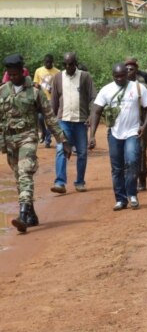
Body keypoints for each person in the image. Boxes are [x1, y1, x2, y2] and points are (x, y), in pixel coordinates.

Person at [1, 54, 71, 233]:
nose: (14, 77)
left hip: (28, 137)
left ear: (22, 72)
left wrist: (62, 140)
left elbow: (49, 118)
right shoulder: (3, 91)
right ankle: (31, 214)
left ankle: (23, 214)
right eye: (11, 74)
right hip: (10, 141)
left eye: (16, 74)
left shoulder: (35, 92)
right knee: (19, 178)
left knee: (25, 172)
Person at [89, 63, 147, 210]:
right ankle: (120, 199)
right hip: (114, 134)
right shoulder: (107, 90)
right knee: (117, 168)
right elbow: (97, 111)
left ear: (127, 74)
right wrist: (92, 135)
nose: (120, 79)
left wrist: (144, 126)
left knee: (132, 161)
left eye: (122, 75)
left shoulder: (138, 88)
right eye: (117, 76)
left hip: (133, 132)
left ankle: (132, 194)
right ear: (113, 76)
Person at [49, 52, 96, 194]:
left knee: (82, 152)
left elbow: (93, 97)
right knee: (61, 150)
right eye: (66, 64)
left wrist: (91, 115)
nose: (68, 66)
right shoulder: (58, 78)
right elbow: (54, 101)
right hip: (63, 120)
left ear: (76, 63)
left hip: (81, 121)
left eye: (71, 64)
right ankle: (60, 183)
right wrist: (52, 122)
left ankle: (80, 182)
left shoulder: (85, 77)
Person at [125, 58, 147, 191]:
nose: (128, 71)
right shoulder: (120, 85)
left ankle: (142, 177)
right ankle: (128, 179)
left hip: (141, 125)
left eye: (131, 69)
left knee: (141, 152)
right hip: (124, 125)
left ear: (136, 70)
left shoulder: (143, 88)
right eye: (126, 69)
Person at [33, 54, 59, 148]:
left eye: (50, 62)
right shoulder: (38, 71)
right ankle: (43, 132)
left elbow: (59, 86)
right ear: (44, 62)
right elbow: (35, 82)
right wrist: (37, 85)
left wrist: (54, 90)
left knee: (49, 120)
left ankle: (48, 140)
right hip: (40, 99)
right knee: (40, 118)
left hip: (52, 99)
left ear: (53, 62)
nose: (48, 64)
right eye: (46, 62)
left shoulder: (58, 72)